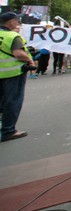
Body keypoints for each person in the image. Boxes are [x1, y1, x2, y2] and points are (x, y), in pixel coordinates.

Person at [0, 12, 36, 141]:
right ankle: (8, 131)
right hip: (12, 74)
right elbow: (18, 54)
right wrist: (30, 60)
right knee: (12, 101)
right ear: (11, 22)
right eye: (16, 20)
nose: (18, 22)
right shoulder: (12, 36)